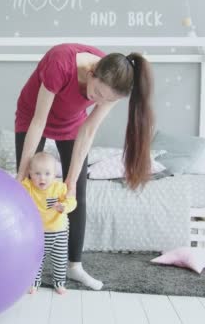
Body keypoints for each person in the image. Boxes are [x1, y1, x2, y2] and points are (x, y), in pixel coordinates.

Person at [15, 43, 154, 290]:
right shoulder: (61, 63)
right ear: (91, 72)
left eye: (106, 99)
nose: (98, 100)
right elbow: (39, 121)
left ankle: (74, 266)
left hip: (71, 124)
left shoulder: (114, 85)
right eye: (97, 93)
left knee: (75, 193)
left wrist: (71, 178)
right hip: (33, 115)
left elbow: (88, 129)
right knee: (27, 189)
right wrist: (21, 173)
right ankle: (25, 264)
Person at [21, 152, 77, 295]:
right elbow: (16, 191)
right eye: (37, 173)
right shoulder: (28, 187)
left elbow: (72, 201)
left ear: (54, 174)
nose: (42, 178)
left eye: (47, 174)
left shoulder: (59, 188)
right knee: (36, 260)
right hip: (38, 234)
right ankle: (34, 282)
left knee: (60, 260)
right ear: (30, 173)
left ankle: (59, 283)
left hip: (58, 232)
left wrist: (64, 207)